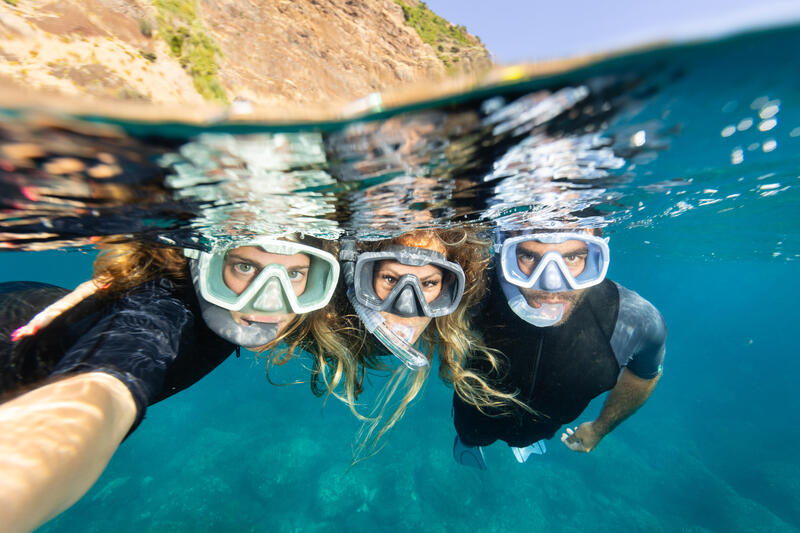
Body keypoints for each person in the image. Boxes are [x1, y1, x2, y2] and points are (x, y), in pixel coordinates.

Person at [0, 235, 355, 533]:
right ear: (205, 264)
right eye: (245, 267)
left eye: (295, 273)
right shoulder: (159, 314)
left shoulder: (284, 307)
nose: (269, 302)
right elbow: (101, 388)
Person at [453, 229, 666, 469]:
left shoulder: (637, 322)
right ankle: (468, 441)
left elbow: (645, 374)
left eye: (572, 258)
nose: (552, 285)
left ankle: (521, 442)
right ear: (503, 249)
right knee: (469, 434)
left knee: (527, 434)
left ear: (596, 254)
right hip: (473, 417)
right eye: (529, 257)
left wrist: (600, 427)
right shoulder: (472, 286)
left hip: (542, 427)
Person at [340, 228, 522, 457]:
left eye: (427, 284)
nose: (406, 309)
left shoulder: (477, 303)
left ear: (447, 288)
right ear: (363, 277)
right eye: (389, 279)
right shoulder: (331, 312)